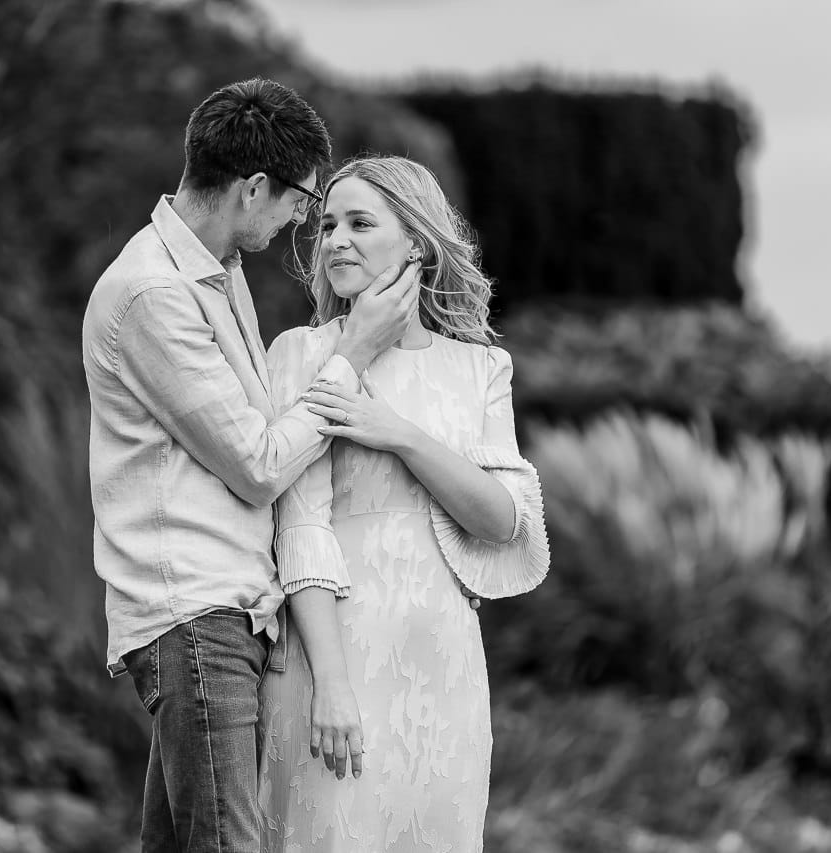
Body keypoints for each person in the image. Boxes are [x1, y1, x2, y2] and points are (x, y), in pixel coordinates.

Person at [82, 80, 421, 853]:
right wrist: (353, 353)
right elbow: (260, 463)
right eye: (303, 200)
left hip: (225, 612)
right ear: (254, 187)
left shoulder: (217, 267)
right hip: (195, 614)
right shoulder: (152, 294)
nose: (305, 220)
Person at [257, 155, 551, 852]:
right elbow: (299, 524)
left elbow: (503, 519)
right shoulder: (302, 354)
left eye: (360, 223)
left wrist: (399, 434)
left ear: (416, 242)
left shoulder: (480, 367)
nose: (335, 241)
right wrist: (330, 683)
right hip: (336, 657)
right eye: (327, 225)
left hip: (444, 665)